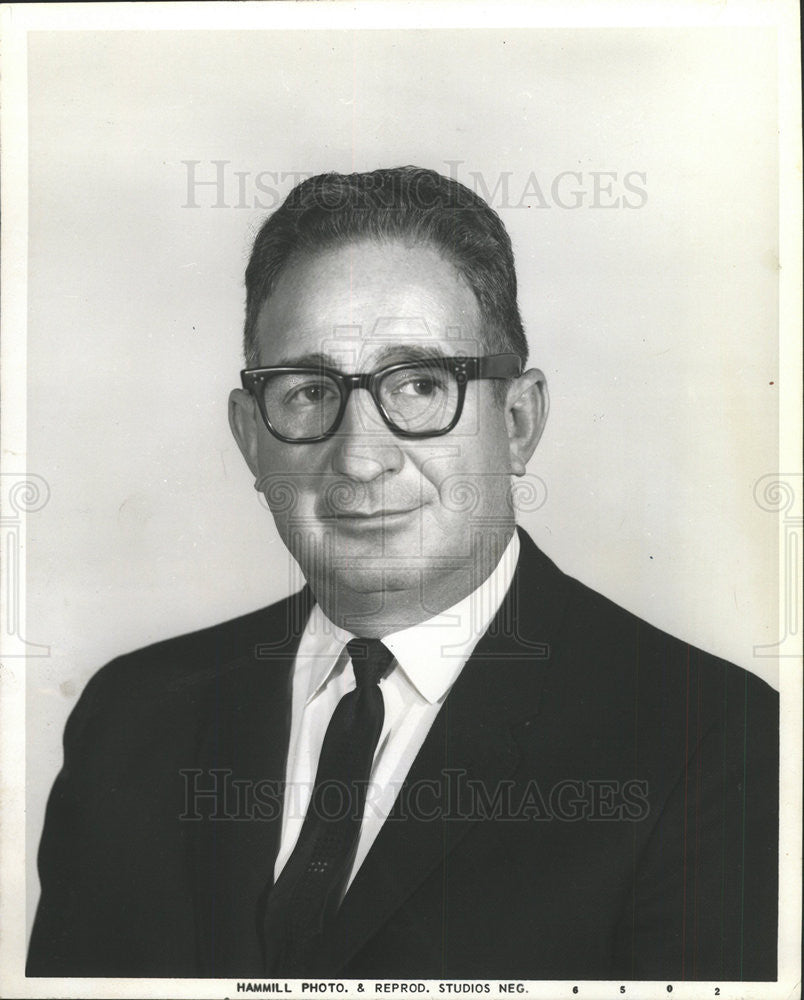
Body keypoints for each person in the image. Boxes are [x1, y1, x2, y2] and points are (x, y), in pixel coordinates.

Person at [27, 166, 778, 981]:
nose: (360, 456)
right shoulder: (131, 718)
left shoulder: (713, 742)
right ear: (251, 437)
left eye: (421, 384)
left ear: (518, 421)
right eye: (309, 390)